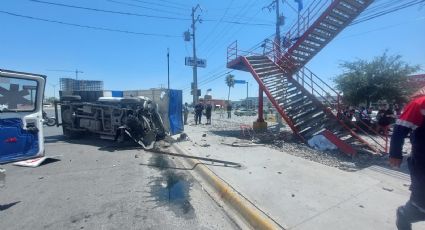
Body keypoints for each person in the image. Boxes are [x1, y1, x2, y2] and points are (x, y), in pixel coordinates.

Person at [389, 95, 425, 230]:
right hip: (422, 163)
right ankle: (404, 214)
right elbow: (400, 129)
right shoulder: (420, 103)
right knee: (421, 205)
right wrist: (395, 154)